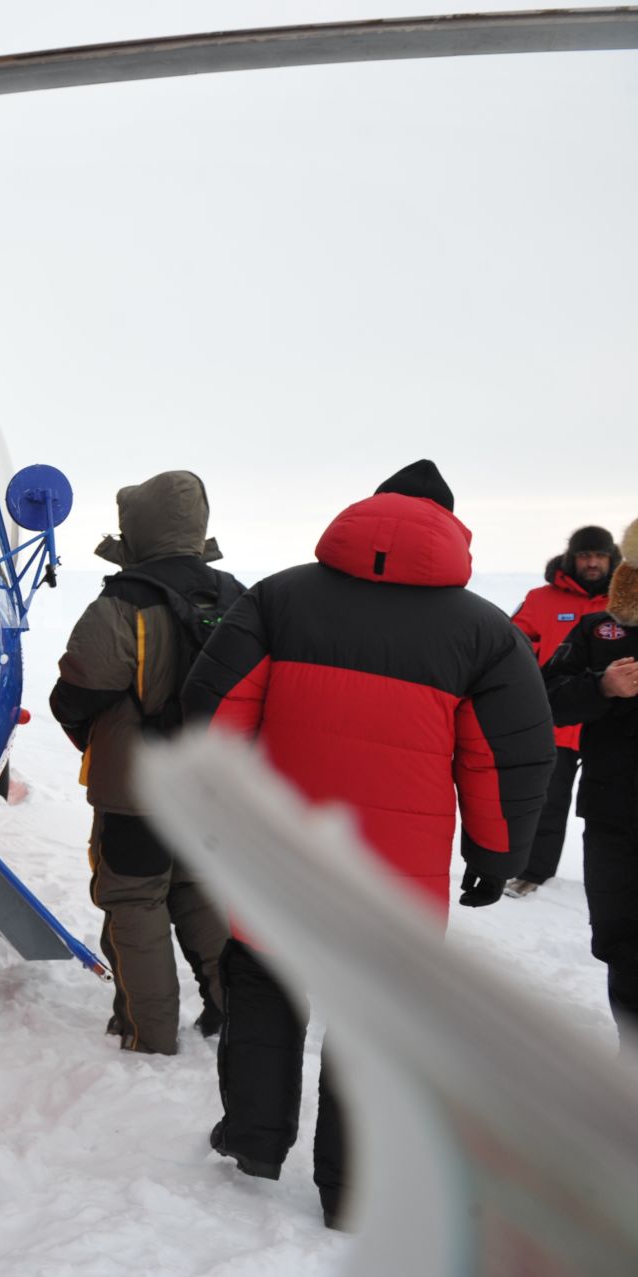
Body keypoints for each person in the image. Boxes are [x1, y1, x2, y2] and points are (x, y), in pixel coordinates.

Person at [181, 459, 553, 1229]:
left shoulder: (278, 597)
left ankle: (253, 1139)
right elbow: (509, 757)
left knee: (262, 988)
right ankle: (350, 1190)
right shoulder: (485, 631)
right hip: (392, 880)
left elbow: (212, 712)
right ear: (451, 526)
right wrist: (496, 855)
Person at [49, 471, 240, 1055]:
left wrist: (97, 739)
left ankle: (147, 1034)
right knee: (202, 893)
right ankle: (235, 1014)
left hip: (135, 793)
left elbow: (75, 692)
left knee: (134, 904)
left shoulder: (122, 601)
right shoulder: (235, 595)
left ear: (138, 527)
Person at [542, 517, 638, 1051]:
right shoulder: (601, 631)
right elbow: (547, 696)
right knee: (622, 945)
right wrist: (601, 687)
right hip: (614, 817)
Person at [507, 526, 620, 896]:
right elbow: (512, 645)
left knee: (614, 809)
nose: (591, 563)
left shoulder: (625, 602)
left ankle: (615, 885)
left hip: (611, 726)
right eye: (585, 555)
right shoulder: (540, 599)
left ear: (611, 558)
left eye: (599, 556)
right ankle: (532, 873)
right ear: (571, 558)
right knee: (545, 802)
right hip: (553, 722)